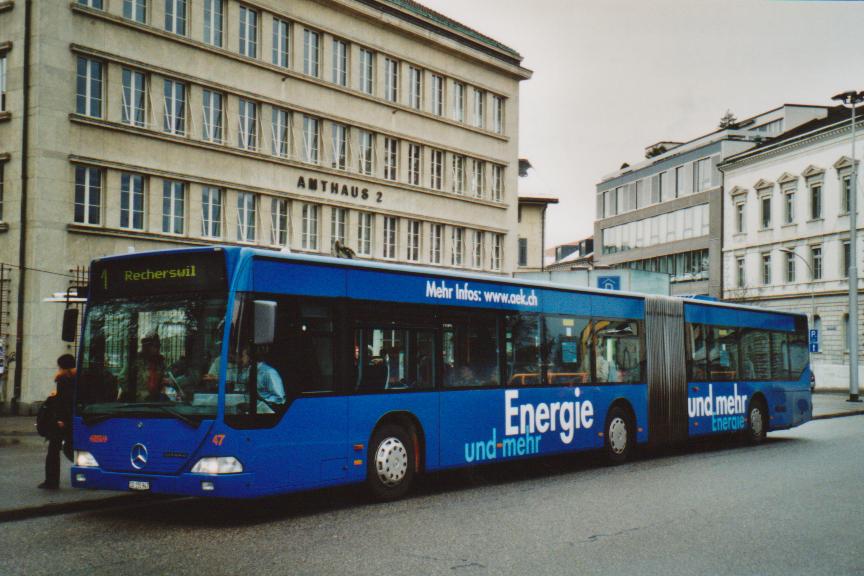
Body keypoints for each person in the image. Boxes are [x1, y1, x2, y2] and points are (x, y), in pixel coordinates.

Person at [40, 354, 75, 490]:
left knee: (53, 451)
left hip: (62, 420)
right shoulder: (77, 378)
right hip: (73, 418)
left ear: (63, 367)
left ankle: (51, 481)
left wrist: (61, 419)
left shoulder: (63, 379)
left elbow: (62, 402)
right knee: (70, 448)